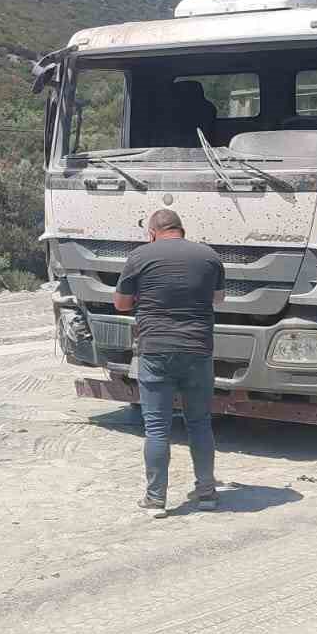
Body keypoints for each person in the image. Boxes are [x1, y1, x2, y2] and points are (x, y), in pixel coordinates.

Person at [114, 208, 225, 515]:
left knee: (157, 428)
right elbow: (219, 299)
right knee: (200, 423)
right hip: (198, 349)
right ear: (181, 229)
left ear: (152, 233)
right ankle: (207, 494)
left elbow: (122, 304)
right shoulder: (209, 256)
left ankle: (156, 499)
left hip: (156, 350)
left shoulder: (140, 257)